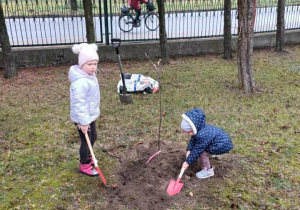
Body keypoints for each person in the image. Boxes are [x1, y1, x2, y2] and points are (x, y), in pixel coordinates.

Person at [69, 43, 100, 176]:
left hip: (89, 115)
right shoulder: (80, 82)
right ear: (81, 65)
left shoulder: (90, 76)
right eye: (89, 64)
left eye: (95, 64)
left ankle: (89, 157)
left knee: (93, 137)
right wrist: (83, 122)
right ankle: (84, 164)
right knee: (86, 142)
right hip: (83, 118)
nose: (93, 67)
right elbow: (79, 103)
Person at [180, 108, 233, 179]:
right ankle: (210, 153)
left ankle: (208, 170)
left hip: (222, 145)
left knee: (202, 153)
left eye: (187, 132)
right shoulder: (199, 128)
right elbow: (193, 140)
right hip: (218, 140)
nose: (185, 133)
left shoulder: (202, 136)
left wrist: (187, 162)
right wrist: (189, 150)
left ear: (193, 129)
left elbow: (197, 150)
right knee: (204, 146)